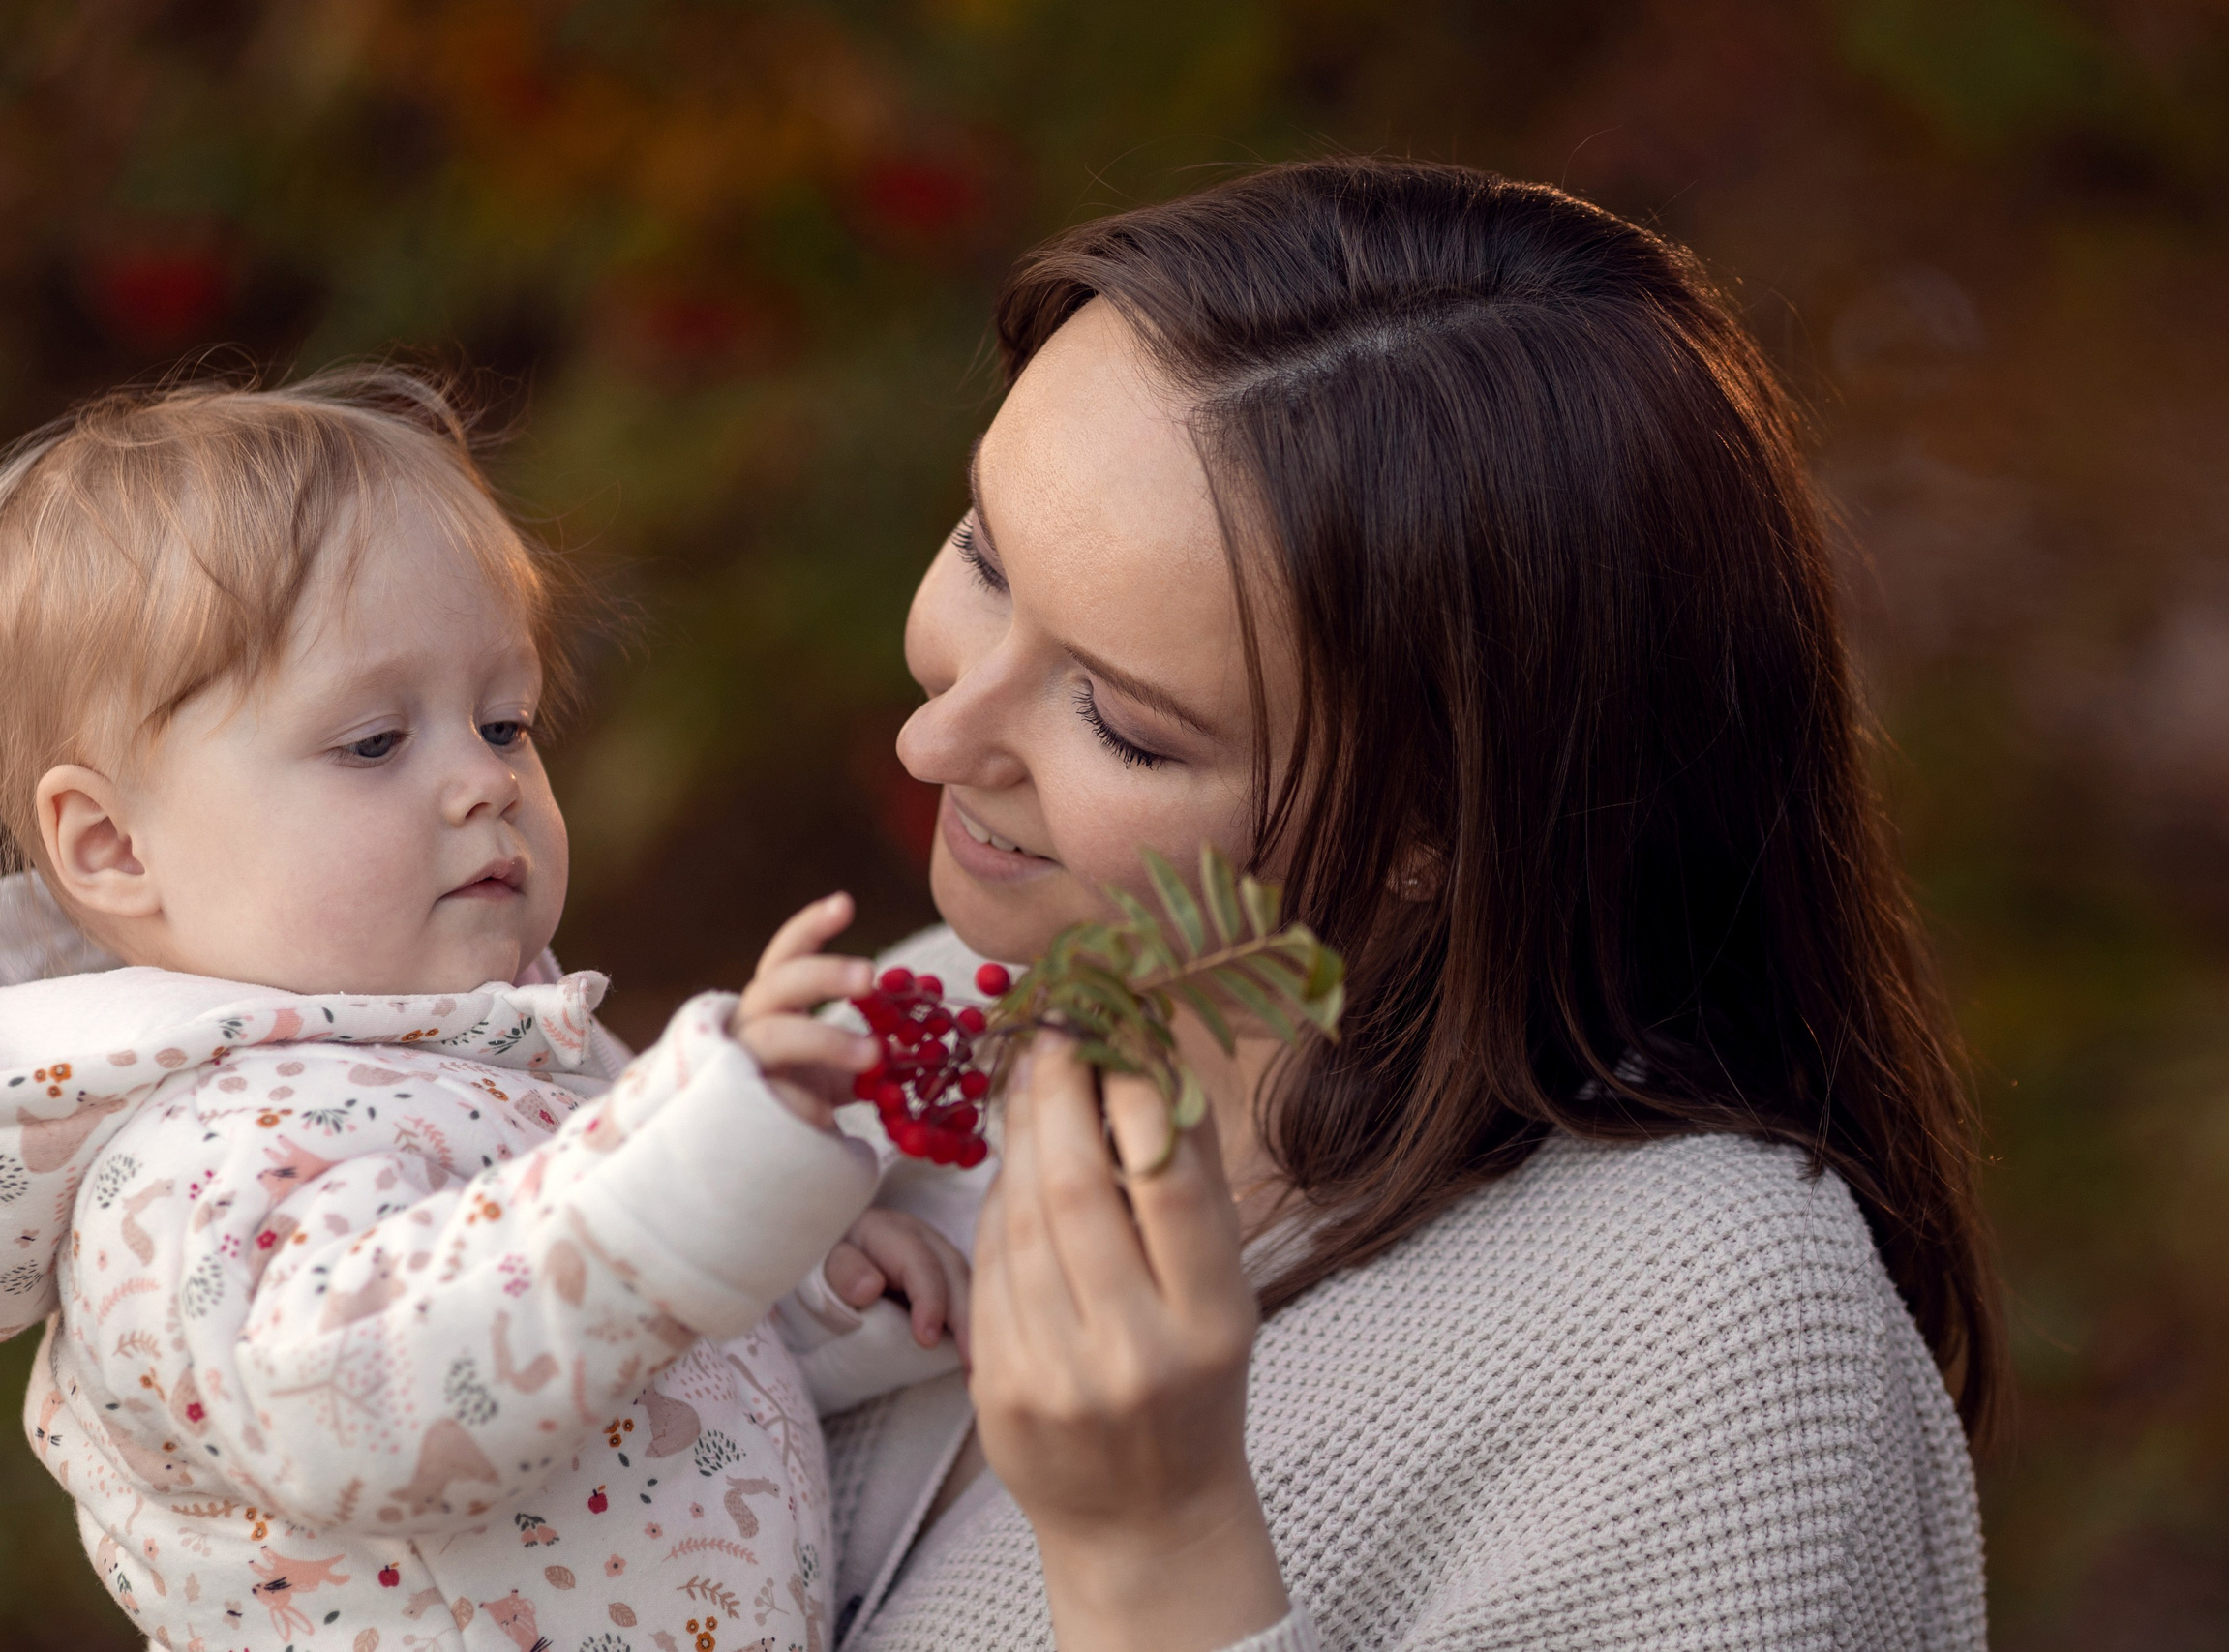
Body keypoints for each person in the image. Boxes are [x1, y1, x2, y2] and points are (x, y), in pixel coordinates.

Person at [827, 158, 2003, 1652]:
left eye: (1121, 721)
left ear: (1432, 828)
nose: (933, 740)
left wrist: (1159, 1556)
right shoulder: (929, 1030)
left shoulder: (1704, 1332)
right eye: (986, 556)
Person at [0, 369, 969, 1652]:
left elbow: (600, 1341)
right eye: (372, 745)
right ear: (115, 844)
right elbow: (380, 1395)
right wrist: (690, 1171)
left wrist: (798, 1281)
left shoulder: (486, 1042)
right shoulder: (187, 1169)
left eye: (505, 721)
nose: (481, 782)